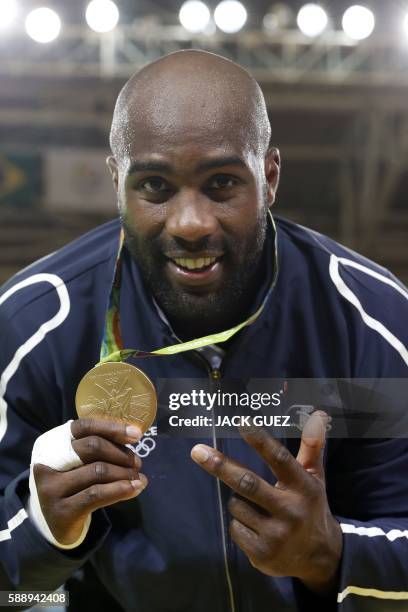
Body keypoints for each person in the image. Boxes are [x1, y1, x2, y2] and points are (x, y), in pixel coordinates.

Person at [0, 49, 407, 612]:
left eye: (221, 183)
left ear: (269, 177)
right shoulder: (38, 324)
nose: (191, 223)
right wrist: (43, 531)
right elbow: (14, 589)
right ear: (117, 182)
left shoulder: (372, 320)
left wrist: (333, 555)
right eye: (155, 186)